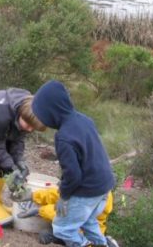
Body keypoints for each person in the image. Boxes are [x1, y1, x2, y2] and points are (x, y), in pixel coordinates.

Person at [30, 80, 115, 246]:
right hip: (104, 188)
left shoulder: (63, 136)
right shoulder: (85, 120)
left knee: (63, 229)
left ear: (51, 112)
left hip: (87, 191)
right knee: (90, 223)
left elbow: (73, 176)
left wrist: (64, 196)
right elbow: (89, 154)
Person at [0, 88, 46, 226]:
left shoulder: (28, 111)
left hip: (0, 128)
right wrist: (11, 166)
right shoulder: (1, 115)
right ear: (20, 114)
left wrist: (18, 161)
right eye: (28, 125)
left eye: (33, 128)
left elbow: (18, 140)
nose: (30, 129)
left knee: (6, 165)